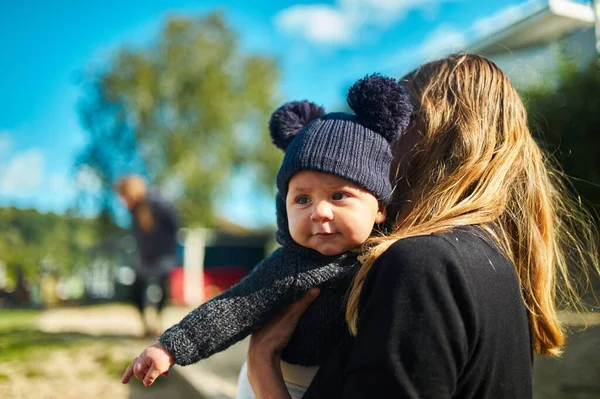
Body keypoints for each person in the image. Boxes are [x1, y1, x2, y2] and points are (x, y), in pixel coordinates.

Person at [246, 53, 600, 398]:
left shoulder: (420, 264)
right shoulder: (497, 263)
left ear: (430, 133)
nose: (380, 144)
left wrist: (261, 363)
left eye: (397, 125)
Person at [120, 74, 413, 397]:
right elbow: (233, 308)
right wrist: (169, 348)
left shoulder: (394, 257)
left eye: (339, 195)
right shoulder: (292, 263)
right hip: (286, 381)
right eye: (302, 199)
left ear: (381, 207)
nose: (320, 211)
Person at [115, 175, 179, 338]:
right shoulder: (134, 210)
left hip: (162, 255)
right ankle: (146, 325)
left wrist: (164, 245)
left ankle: (157, 323)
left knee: (163, 289)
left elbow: (174, 223)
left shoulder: (157, 202)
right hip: (145, 256)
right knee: (136, 289)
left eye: (123, 195)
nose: (122, 201)